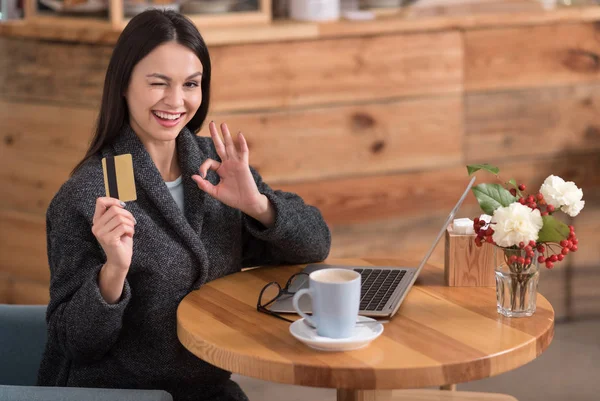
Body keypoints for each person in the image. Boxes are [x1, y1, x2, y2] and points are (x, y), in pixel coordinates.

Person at [37, 9, 331, 401]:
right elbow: (74, 342)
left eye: (191, 84)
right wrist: (113, 272)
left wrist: (257, 204)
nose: (176, 101)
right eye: (158, 83)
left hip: (209, 390)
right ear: (123, 85)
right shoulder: (88, 193)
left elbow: (316, 245)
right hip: (117, 394)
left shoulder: (218, 168)